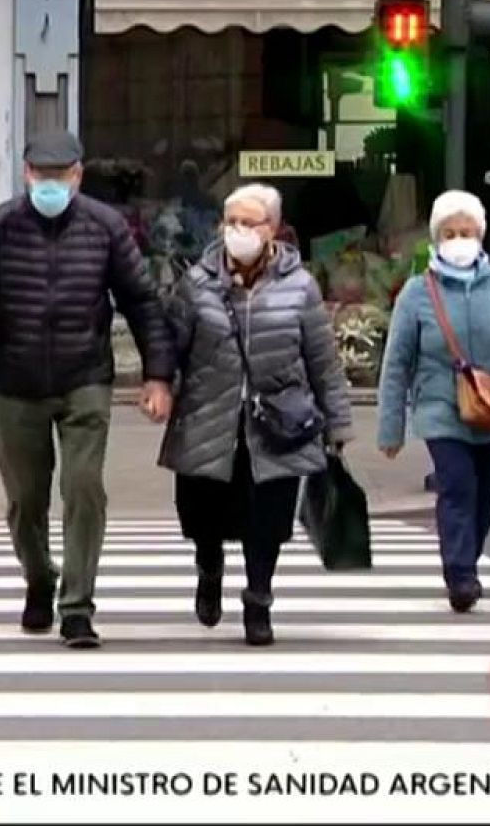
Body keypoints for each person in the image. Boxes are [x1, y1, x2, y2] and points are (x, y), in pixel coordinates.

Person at [0, 130, 175, 649]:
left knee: (83, 488)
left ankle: (76, 607)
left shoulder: (105, 226)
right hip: (15, 382)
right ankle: (39, 577)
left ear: (78, 175)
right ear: (26, 175)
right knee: (26, 501)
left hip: (84, 379)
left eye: (60, 176)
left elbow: (142, 302)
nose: (50, 184)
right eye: (40, 176)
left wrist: (158, 376)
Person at [159, 183, 353, 646]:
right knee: (202, 512)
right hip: (209, 416)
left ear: (274, 230)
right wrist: (158, 386)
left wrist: (338, 421)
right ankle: (209, 569)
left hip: (278, 422)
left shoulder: (299, 285)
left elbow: (321, 359)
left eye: (251, 222)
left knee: (266, 518)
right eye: (233, 222)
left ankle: (258, 599)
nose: (240, 231)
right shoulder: (197, 282)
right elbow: (170, 346)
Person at [377, 190, 490, 611]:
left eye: (467, 232)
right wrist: (391, 430)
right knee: (457, 487)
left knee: (486, 492)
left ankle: (468, 559)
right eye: (450, 233)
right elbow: (396, 364)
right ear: (436, 238)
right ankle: (460, 575)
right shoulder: (416, 293)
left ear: (480, 236)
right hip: (440, 409)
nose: (459, 240)